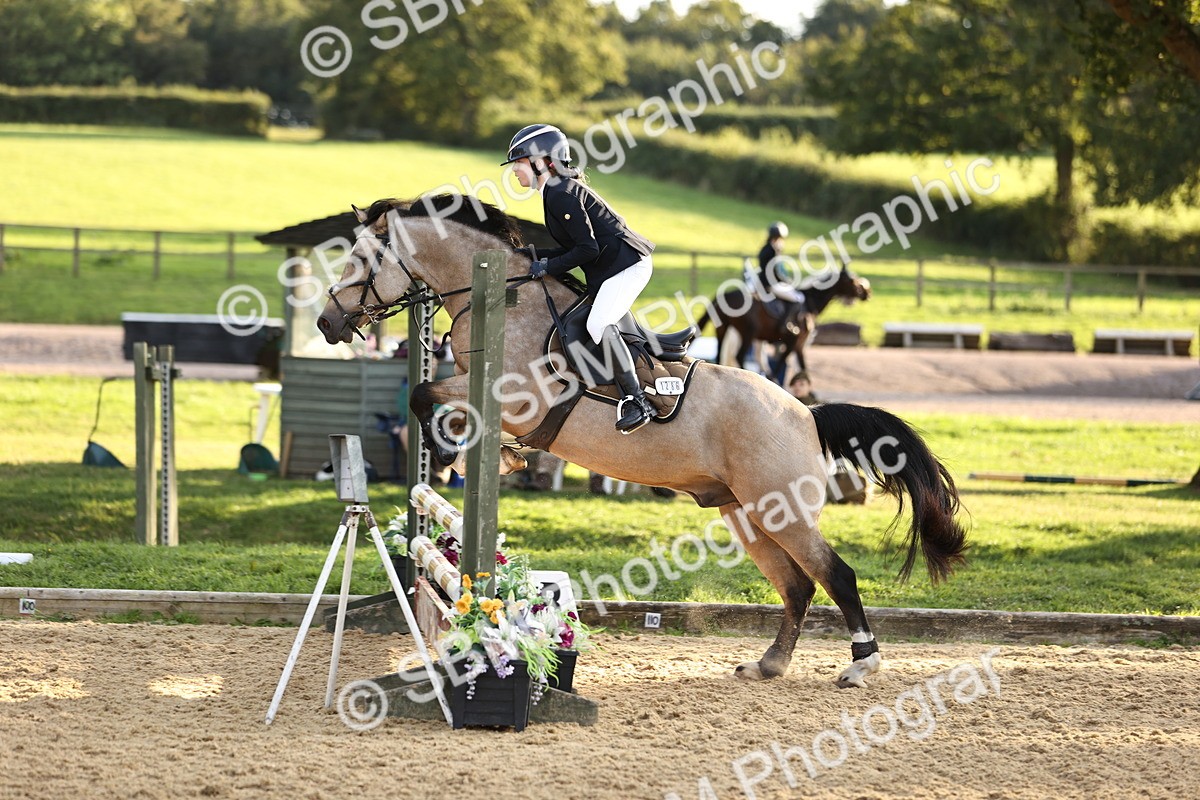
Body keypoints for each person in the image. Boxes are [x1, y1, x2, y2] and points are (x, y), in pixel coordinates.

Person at [502, 123, 656, 434]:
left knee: (598, 324)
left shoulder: (561, 193)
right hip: (610, 268)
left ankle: (638, 401)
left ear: (542, 161)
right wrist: (528, 255)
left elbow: (587, 249)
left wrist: (546, 267)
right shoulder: (555, 191)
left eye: (519, 163)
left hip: (628, 266)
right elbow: (573, 246)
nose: (515, 171)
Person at [757, 221, 805, 322]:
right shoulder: (774, 251)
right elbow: (776, 272)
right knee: (799, 298)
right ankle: (784, 324)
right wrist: (788, 282)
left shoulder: (764, 249)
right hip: (771, 285)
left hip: (761, 283)